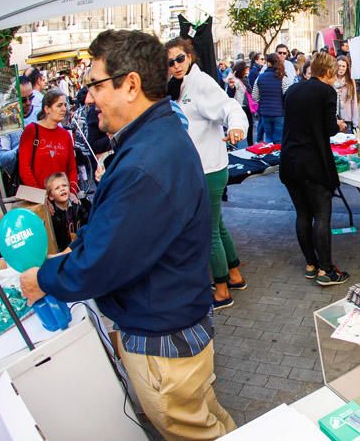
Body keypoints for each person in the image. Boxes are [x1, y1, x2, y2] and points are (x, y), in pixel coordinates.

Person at [19, 29, 236, 439]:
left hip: (162, 341)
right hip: (178, 323)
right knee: (214, 424)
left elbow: (103, 261)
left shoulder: (146, 161)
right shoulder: (157, 138)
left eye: (96, 85)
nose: (89, 98)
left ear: (131, 84)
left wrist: (43, 279)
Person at [166, 37, 248, 310]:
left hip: (209, 169)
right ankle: (234, 276)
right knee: (218, 226)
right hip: (201, 168)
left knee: (208, 231)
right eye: (170, 62)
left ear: (190, 56)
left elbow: (230, 107)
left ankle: (222, 291)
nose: (176, 65)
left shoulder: (201, 83)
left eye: (179, 59)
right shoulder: (180, 85)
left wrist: (237, 126)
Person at [281, 52, 350, 286]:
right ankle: (327, 270)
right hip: (313, 163)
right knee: (322, 216)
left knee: (303, 214)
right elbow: (330, 128)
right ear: (328, 71)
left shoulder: (293, 90)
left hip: (289, 161)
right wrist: (339, 125)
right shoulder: (326, 91)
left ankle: (311, 263)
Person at [19, 90, 78, 192]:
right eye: (59, 105)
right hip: (39, 198)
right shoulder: (31, 130)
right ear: (47, 109)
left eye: (65, 105)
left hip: (62, 199)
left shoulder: (65, 135)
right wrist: (40, 196)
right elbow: (24, 168)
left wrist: (72, 192)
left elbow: (72, 168)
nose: (64, 109)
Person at [0, 75, 39, 180]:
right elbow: (1, 159)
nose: (28, 103)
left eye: (31, 97)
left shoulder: (41, 112)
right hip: (21, 180)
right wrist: (20, 149)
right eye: (23, 100)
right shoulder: (5, 120)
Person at [45, 171, 88, 251]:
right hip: (64, 251)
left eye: (64, 185)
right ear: (51, 196)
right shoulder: (53, 216)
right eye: (57, 188)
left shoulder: (79, 206)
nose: (62, 189)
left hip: (82, 246)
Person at [254, 52, 286, 143]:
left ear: (268, 63)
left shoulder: (260, 77)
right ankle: (278, 156)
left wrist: (263, 101)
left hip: (265, 112)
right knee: (279, 139)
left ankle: (269, 156)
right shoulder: (282, 77)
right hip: (279, 113)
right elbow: (287, 95)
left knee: (268, 138)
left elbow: (254, 96)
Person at [229, 60, 254, 146]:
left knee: (250, 126)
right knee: (240, 126)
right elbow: (230, 91)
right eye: (246, 69)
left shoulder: (244, 79)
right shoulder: (236, 80)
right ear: (241, 70)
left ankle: (250, 144)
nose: (247, 70)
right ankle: (235, 145)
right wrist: (231, 86)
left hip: (247, 107)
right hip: (240, 107)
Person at [334, 56, 360, 133]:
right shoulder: (330, 79)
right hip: (334, 118)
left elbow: (354, 102)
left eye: (343, 66)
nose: (341, 68)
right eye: (339, 66)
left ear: (347, 67)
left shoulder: (350, 81)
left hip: (347, 119)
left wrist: (355, 122)